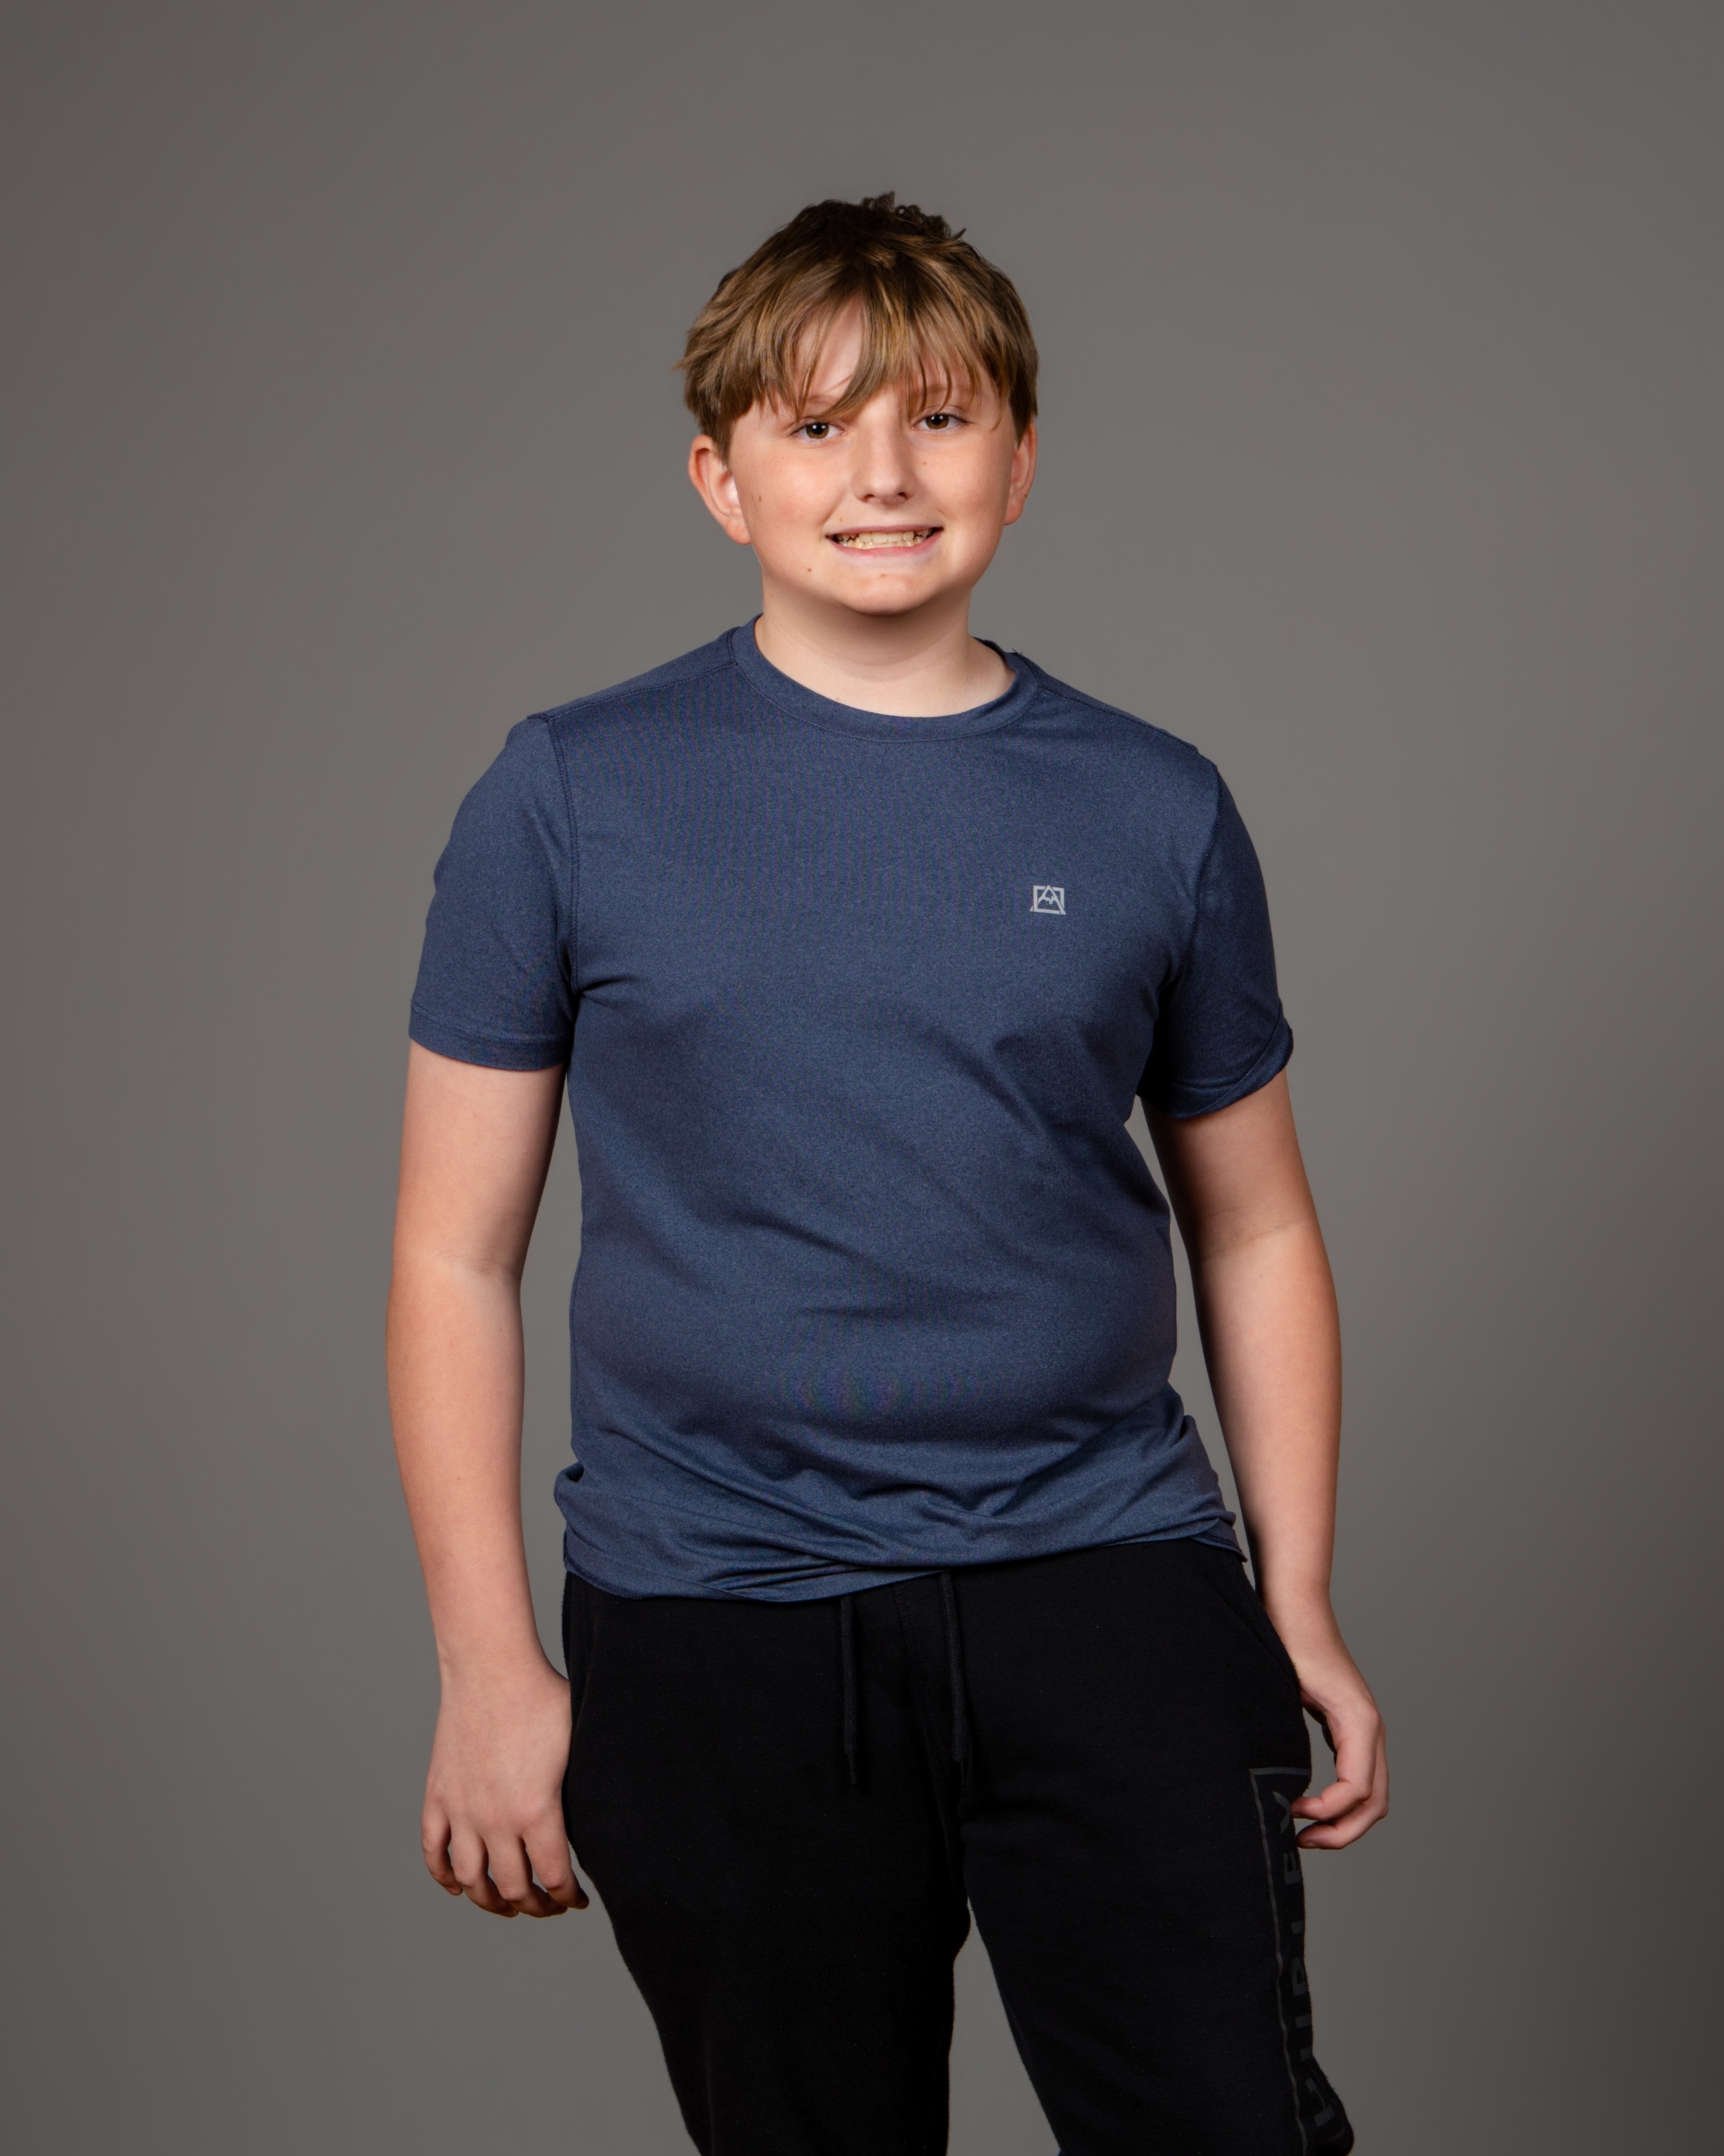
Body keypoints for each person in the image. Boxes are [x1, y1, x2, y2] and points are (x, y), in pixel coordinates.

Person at [387, 193, 1387, 2155]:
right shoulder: (568, 794)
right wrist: (488, 1667)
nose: (882, 476)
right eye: (815, 423)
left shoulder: (1152, 803)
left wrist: (1298, 1597)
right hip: (718, 1607)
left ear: (1020, 456)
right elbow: (450, 1257)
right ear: (719, 476)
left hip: (1103, 1577)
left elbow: (1257, 1220)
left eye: (937, 418)